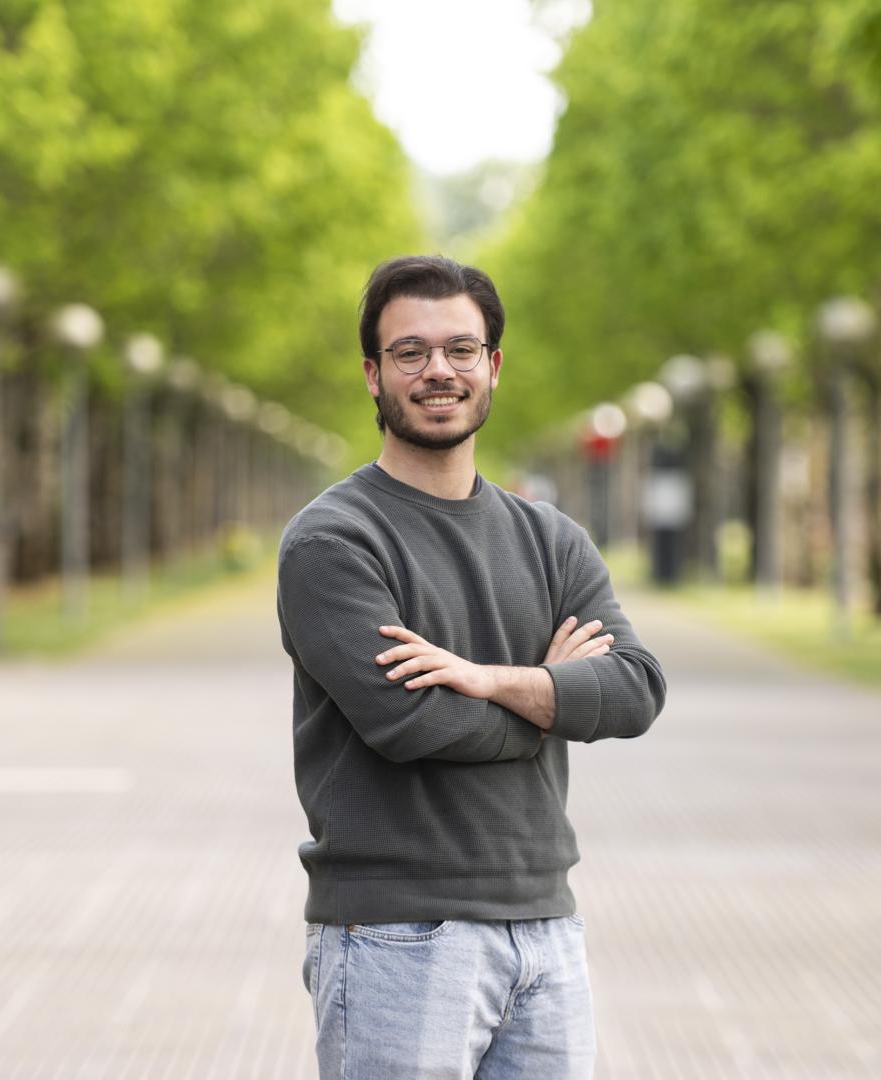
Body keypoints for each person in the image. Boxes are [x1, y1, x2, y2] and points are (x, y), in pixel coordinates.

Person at [277, 254, 666, 1079]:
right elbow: (410, 722)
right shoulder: (333, 542)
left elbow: (634, 689)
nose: (438, 371)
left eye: (461, 349)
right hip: (396, 934)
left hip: (546, 924)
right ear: (373, 375)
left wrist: (490, 680)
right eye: (410, 352)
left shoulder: (551, 538)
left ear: (492, 367)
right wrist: (556, 696)